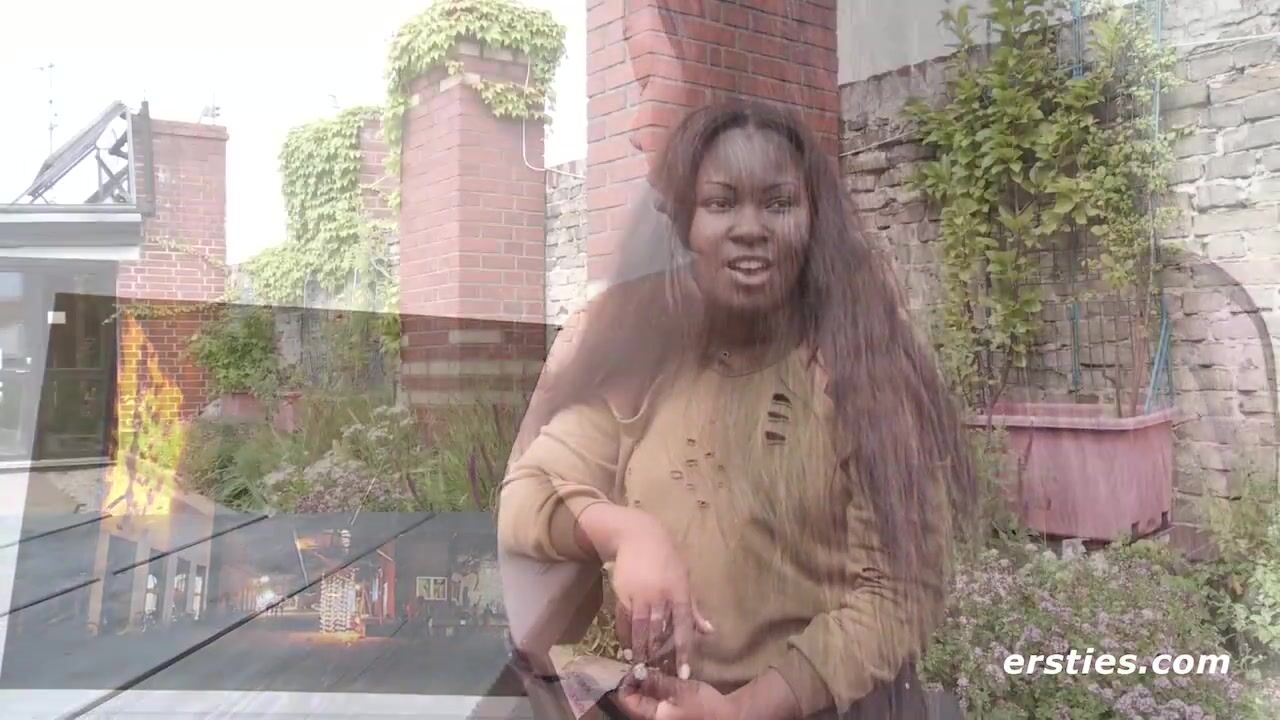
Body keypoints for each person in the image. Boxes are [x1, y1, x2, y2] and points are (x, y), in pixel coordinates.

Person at [497, 99, 976, 720]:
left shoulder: (864, 364)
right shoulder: (642, 352)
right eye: (721, 203)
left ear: (814, 222)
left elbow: (900, 593)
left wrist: (746, 708)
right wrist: (627, 532)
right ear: (684, 226)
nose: (751, 228)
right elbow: (527, 495)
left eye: (779, 203)